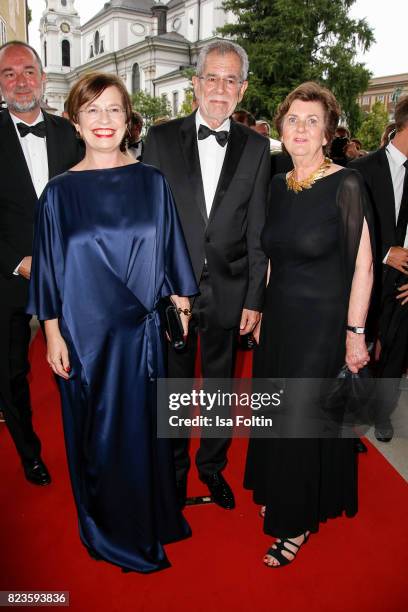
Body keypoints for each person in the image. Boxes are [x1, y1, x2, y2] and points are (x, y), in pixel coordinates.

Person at [27, 72, 198, 573]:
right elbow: (51, 271)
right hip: (87, 339)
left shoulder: (152, 182)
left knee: (147, 431)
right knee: (98, 436)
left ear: (129, 120)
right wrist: (53, 334)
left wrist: (181, 308)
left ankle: (153, 516)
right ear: (76, 122)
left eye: (114, 110)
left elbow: (172, 254)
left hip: (143, 335)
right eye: (92, 111)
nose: (104, 121)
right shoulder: (58, 194)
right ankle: (110, 529)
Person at [244, 82, 373, 567]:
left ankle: (294, 522)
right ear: (281, 127)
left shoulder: (347, 184)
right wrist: (259, 310)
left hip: (322, 325)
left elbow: (363, 266)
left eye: (311, 121)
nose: (300, 128)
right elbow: (274, 256)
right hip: (279, 321)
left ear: (327, 134)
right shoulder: (278, 183)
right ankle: (281, 490)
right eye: (293, 119)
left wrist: (355, 334)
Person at [144, 40, 270, 510]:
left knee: (220, 387)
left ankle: (212, 468)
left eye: (230, 79)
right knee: (173, 389)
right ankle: (173, 475)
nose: (220, 88)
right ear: (195, 83)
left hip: (231, 291)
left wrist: (255, 299)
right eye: (212, 77)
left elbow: (258, 229)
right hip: (171, 292)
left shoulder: (258, 148)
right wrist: (158, 289)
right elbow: (149, 225)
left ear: (242, 89)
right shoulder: (159, 139)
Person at [0, 41, 82, 486]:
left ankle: (84, 441)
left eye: (28, 71)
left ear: (43, 77)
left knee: (74, 363)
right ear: (0, 82)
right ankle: (29, 452)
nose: (20, 81)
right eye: (10, 73)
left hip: (67, 278)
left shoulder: (70, 134)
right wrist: (17, 261)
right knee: (10, 372)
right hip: (6, 277)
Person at [350, 95, 408, 443]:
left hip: (405, 285)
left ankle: (381, 413)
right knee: (360, 347)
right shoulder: (361, 170)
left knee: (397, 350)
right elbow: (347, 228)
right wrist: (386, 252)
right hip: (366, 278)